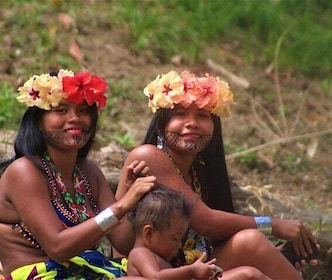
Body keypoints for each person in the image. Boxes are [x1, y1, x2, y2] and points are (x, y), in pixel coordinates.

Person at [115, 70, 319, 279]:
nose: (192, 122)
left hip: (188, 265)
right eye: (180, 114)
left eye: (202, 115)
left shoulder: (198, 171)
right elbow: (206, 222)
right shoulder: (149, 156)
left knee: (251, 245)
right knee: (250, 249)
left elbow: (205, 241)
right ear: (161, 125)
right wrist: (274, 225)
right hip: (146, 272)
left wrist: (271, 257)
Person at [0, 69, 156, 279]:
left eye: (84, 111)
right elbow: (58, 248)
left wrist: (132, 198)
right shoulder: (24, 172)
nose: (75, 118)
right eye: (61, 110)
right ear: (38, 121)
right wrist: (121, 206)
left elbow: (122, 241)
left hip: (89, 271)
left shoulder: (89, 172)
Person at [127, 183, 223, 280]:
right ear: (149, 233)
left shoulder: (161, 259)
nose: (179, 245)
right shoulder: (140, 253)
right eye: (175, 238)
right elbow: (156, 277)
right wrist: (191, 271)